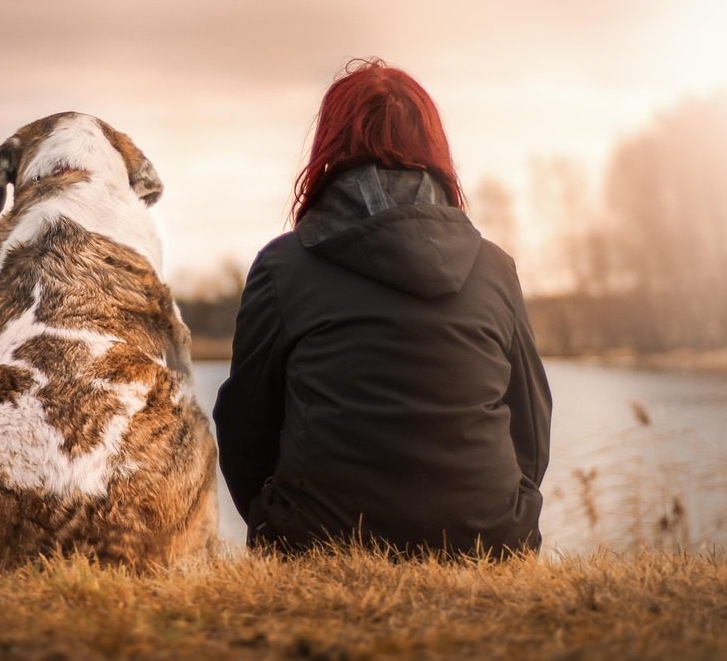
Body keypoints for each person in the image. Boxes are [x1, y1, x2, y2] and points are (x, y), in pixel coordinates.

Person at [212, 58, 552, 558]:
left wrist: (276, 519)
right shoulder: (495, 268)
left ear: (329, 147)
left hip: (318, 542)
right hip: (489, 541)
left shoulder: (283, 267)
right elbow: (531, 425)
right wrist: (505, 512)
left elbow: (244, 426)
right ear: (434, 148)